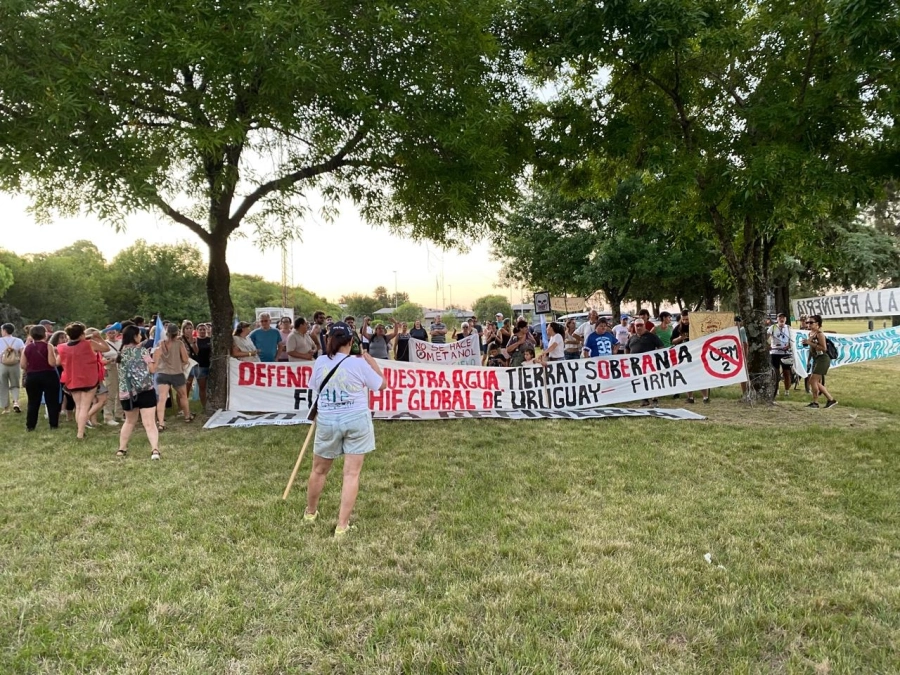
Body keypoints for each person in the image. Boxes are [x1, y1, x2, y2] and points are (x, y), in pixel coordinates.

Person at [304, 322, 386, 538]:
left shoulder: (320, 362)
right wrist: (371, 361)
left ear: (329, 340)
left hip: (328, 419)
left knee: (319, 470)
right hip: (357, 419)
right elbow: (381, 384)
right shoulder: (359, 364)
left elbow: (314, 386)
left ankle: (310, 512)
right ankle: (342, 525)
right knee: (351, 474)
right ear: (351, 341)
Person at [56, 322, 109, 439]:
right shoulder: (89, 344)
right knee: (85, 406)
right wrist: (99, 338)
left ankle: (80, 431)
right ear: (81, 334)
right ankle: (80, 432)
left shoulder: (62, 347)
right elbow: (106, 348)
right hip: (89, 379)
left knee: (79, 406)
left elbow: (57, 362)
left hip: (72, 379)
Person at [116, 325, 161, 459]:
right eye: (139, 334)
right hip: (145, 390)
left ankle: (121, 449)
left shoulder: (120, 354)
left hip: (127, 393)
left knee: (129, 422)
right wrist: (157, 357)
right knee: (150, 423)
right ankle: (155, 449)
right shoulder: (142, 352)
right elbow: (152, 370)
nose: (141, 337)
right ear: (135, 336)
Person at [154, 323, 194, 429]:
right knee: (183, 396)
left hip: (162, 373)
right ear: (177, 332)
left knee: (162, 399)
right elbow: (186, 359)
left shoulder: (160, 343)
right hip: (177, 373)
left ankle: (161, 423)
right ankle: (187, 416)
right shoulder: (179, 343)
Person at [21, 324, 61, 431]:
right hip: (48, 375)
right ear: (45, 334)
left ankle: (30, 425)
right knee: (52, 401)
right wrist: (58, 356)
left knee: (33, 402)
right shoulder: (48, 346)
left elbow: (23, 365)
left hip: (32, 376)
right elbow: (52, 363)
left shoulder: (27, 347)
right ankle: (53, 424)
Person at [671, 310, 709, 403]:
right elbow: (672, 341)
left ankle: (705, 397)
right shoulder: (677, 328)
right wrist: (680, 338)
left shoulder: (695, 326)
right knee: (687, 376)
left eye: (687, 319)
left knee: (700, 376)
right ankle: (690, 397)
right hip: (684, 356)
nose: (685, 321)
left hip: (697, 355)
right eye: (683, 319)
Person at [802, 315, 837, 409]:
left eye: (811, 322)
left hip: (823, 358)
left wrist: (809, 343)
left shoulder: (819, 334)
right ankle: (830, 400)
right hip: (816, 359)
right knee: (815, 381)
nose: (808, 324)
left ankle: (815, 402)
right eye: (807, 322)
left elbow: (824, 348)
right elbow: (811, 349)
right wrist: (809, 360)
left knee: (812, 380)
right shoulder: (810, 334)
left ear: (817, 324)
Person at [627, 319, 664, 406]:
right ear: (634, 327)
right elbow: (627, 348)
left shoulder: (652, 336)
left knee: (652, 381)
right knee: (641, 381)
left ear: (644, 326)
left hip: (649, 364)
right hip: (636, 365)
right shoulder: (632, 337)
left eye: (641, 325)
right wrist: (627, 358)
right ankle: (644, 399)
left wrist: (657, 356)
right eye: (637, 326)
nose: (639, 327)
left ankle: (655, 400)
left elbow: (661, 346)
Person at [0, 322, 25, 414]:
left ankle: (6, 408)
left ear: (4, 330)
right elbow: (23, 352)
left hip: (2, 365)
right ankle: (16, 402)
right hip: (15, 365)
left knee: (3, 386)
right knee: (15, 385)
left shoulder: (0, 341)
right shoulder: (18, 341)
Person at [767, 312, 793, 396]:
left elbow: (793, 340)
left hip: (786, 353)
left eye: (783, 318)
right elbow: (765, 337)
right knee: (775, 372)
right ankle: (776, 389)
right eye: (780, 318)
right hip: (775, 352)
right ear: (777, 319)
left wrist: (789, 346)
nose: (782, 319)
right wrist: (768, 345)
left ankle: (787, 391)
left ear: (785, 319)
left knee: (786, 372)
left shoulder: (789, 328)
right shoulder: (773, 327)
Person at [194, 323, 211, 408]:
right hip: (200, 367)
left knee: (211, 387)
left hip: (211, 366)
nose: (202, 331)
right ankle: (204, 405)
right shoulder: (195, 340)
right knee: (202, 387)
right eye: (200, 329)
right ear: (197, 331)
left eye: (204, 329)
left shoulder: (210, 339)